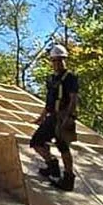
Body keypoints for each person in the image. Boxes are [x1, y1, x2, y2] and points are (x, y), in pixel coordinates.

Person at [31, 43, 79, 191]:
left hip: (64, 116)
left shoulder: (70, 77)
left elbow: (73, 99)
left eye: (60, 60)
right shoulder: (52, 79)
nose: (57, 63)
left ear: (64, 60)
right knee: (36, 142)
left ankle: (68, 178)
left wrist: (68, 117)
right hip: (52, 117)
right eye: (55, 60)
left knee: (63, 147)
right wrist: (41, 117)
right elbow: (49, 102)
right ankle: (52, 165)